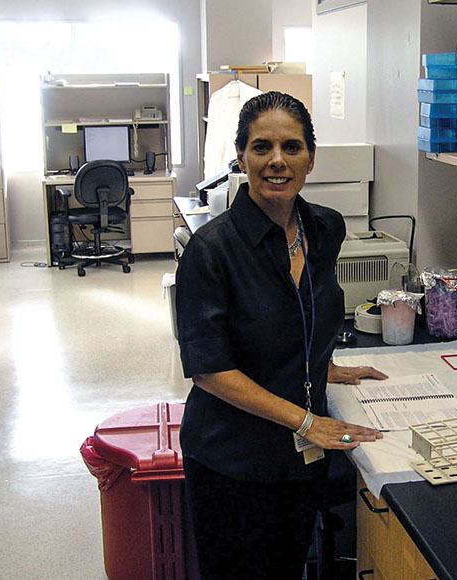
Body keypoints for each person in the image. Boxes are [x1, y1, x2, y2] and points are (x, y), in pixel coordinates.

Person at [175, 91, 387, 579]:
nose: (277, 161)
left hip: (298, 463)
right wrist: (307, 422)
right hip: (234, 460)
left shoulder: (325, 228)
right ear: (241, 157)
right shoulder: (212, 251)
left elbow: (303, 311)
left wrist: (321, 364)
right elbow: (210, 370)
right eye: (261, 147)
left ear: (311, 159)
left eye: (291, 147)